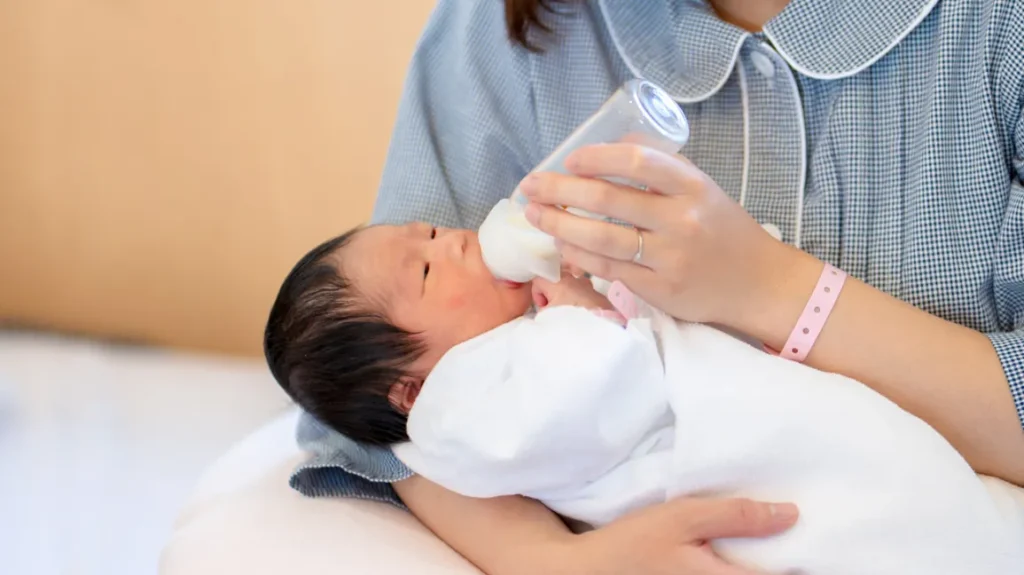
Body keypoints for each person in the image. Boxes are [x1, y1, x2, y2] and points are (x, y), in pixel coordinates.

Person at [288, 0, 1024, 573]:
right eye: (427, 257)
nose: (449, 238)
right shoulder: (507, 35)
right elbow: (362, 409)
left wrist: (770, 287)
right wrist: (553, 560)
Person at [265, 221, 1022, 574]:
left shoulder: (502, 345)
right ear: (408, 385)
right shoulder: (453, 414)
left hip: (783, 424)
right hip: (731, 465)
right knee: (883, 520)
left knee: (919, 487)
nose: (453, 241)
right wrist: (571, 300)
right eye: (425, 272)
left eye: (429, 231)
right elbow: (598, 386)